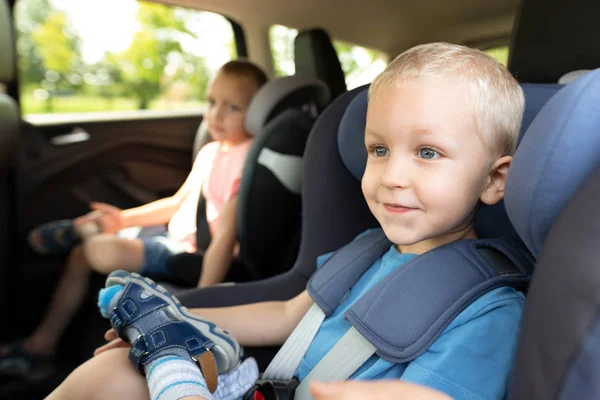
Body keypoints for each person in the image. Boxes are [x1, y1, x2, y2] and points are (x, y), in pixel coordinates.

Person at [46, 42, 526, 400]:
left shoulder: (490, 312)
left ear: (493, 180)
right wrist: (176, 316)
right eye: (378, 150)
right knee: (110, 375)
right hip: (267, 387)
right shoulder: (367, 249)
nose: (391, 176)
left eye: (428, 152)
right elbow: (285, 315)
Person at [0, 60, 268, 379]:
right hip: (168, 239)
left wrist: (201, 298)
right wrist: (123, 220)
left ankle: (87, 231)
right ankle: (41, 343)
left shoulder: (246, 159)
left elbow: (225, 237)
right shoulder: (212, 151)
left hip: (188, 258)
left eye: (232, 107)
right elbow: (176, 203)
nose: (216, 115)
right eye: (212, 102)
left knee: (97, 250)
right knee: (83, 253)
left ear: (254, 113)